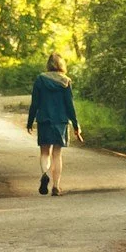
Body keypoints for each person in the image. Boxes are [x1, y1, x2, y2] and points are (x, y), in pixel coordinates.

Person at [26, 53, 81, 195]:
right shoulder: (65, 81)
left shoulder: (40, 79)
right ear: (61, 65)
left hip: (44, 120)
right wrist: (76, 125)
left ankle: (45, 174)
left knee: (45, 153)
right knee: (57, 154)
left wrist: (30, 121)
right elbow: (70, 105)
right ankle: (56, 186)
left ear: (48, 64)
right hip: (60, 121)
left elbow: (35, 103)